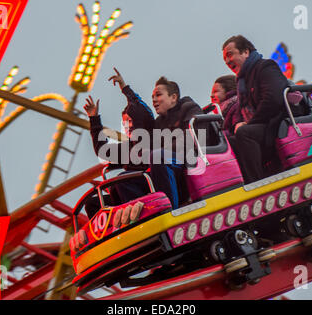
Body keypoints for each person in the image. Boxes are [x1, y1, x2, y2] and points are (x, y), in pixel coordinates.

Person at [109, 69, 203, 209]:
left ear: (173, 97)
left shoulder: (189, 108)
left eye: (158, 95)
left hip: (189, 163)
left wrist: (160, 151)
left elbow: (192, 138)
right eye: (152, 96)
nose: (154, 100)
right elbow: (141, 113)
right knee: (123, 179)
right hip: (164, 168)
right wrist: (126, 90)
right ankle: (144, 214)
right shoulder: (158, 123)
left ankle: (168, 209)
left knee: (158, 156)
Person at [222, 35, 288, 183]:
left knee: (245, 133)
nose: (227, 61)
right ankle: (239, 184)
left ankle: (257, 183)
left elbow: (273, 99)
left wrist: (249, 124)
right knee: (228, 142)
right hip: (258, 127)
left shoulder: (265, 67)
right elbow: (240, 109)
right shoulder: (241, 81)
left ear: (245, 52)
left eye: (230, 54)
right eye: (225, 58)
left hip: (275, 124)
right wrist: (238, 123)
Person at [82, 90, 153, 218]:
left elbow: (142, 112)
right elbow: (103, 151)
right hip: (127, 190)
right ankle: (113, 231)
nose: (128, 126)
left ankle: (136, 218)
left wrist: (125, 89)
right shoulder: (126, 148)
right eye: (125, 123)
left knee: (121, 181)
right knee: (92, 204)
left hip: (149, 186)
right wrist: (94, 119)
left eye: (131, 121)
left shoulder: (151, 137)